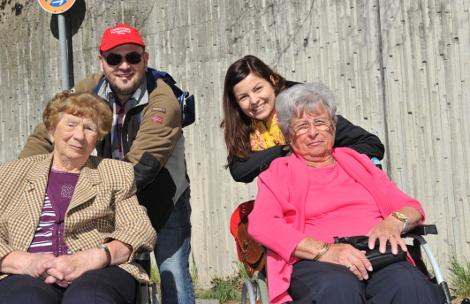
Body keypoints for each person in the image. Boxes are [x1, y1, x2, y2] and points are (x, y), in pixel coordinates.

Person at [18, 24, 194, 304]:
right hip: (114, 201)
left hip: (163, 201)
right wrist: (24, 181)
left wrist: (91, 197)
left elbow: (143, 166)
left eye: (132, 57)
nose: (124, 65)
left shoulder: (163, 100)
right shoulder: (88, 89)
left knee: (173, 279)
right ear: (102, 62)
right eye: (114, 59)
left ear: (145, 59)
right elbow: (48, 133)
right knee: (127, 277)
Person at [247, 83, 440, 304]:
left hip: (379, 257)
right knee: (338, 287)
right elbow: (262, 223)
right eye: (301, 126)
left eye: (320, 122)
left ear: (333, 127)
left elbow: (411, 207)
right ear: (289, 135)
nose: (312, 132)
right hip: (317, 265)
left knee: (410, 283)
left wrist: (393, 223)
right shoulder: (279, 172)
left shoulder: (359, 162)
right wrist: (324, 250)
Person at [0, 91, 156, 304]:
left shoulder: (115, 172)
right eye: (71, 125)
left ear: (98, 137)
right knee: (27, 298)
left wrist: (94, 257)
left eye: (89, 128)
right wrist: (25, 262)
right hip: (24, 274)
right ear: (52, 130)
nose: (80, 135)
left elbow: (139, 228)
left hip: (99, 271)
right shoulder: (10, 174)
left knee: (89, 298)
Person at [221, 55, 385, 183]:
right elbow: (240, 171)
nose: (254, 100)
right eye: (243, 97)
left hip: (333, 187)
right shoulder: (248, 125)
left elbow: (373, 145)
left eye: (258, 89)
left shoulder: (303, 109)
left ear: (272, 81)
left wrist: (325, 158)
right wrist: (282, 151)